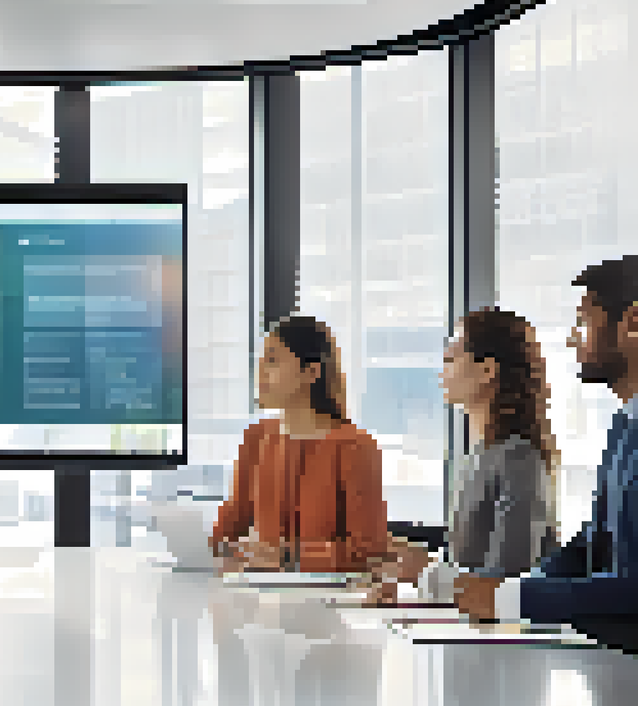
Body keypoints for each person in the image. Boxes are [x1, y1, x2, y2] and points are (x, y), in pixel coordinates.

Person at [455, 257, 638, 651]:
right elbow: (590, 546)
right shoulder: (624, 425)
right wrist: (508, 591)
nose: (572, 339)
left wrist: (514, 599)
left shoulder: (519, 457)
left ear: (633, 323)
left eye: (584, 322)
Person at [372, 309, 559, 603]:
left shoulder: (518, 459)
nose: (442, 370)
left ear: (487, 371)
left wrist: (424, 571)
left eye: (451, 359)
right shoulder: (482, 452)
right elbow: (467, 563)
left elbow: (503, 581)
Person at [210, 315, 389, 574]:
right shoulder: (257, 437)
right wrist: (205, 547)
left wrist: (289, 557)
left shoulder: (354, 446)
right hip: (258, 590)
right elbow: (230, 526)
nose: (260, 372)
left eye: (272, 361)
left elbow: (368, 551)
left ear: (311, 372)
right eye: (260, 361)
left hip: (328, 594)